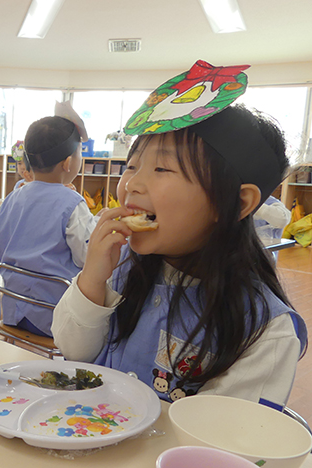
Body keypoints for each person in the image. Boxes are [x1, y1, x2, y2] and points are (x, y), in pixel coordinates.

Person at [52, 61, 307, 409]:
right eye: (132, 166)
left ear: (235, 203)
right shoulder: (125, 266)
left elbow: (217, 445)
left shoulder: (264, 331)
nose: (131, 185)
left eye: (161, 168)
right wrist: (92, 279)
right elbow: (72, 348)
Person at [0, 113, 95, 338]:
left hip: (11, 310)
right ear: (68, 163)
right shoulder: (73, 204)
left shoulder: (11, 197)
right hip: (55, 317)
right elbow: (86, 258)